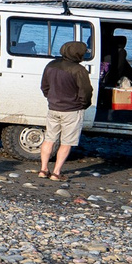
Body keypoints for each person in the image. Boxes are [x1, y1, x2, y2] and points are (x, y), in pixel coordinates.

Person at [37, 39, 93, 180]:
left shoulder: (51, 65)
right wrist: (83, 104)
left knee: (49, 139)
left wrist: (51, 98)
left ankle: (43, 170)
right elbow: (86, 91)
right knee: (66, 142)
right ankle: (56, 172)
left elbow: (44, 87)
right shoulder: (79, 70)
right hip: (72, 110)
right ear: (78, 54)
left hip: (53, 107)